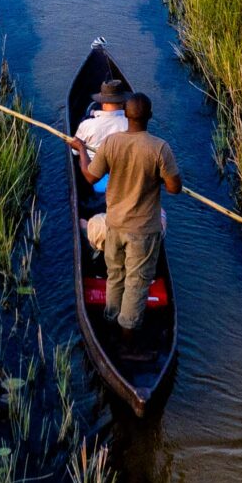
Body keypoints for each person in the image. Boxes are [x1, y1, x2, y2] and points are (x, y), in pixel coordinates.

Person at [79, 92, 181, 334]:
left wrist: (81, 150)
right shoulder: (160, 148)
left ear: (126, 115)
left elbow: (89, 176)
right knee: (136, 283)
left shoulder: (111, 144)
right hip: (143, 231)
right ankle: (127, 334)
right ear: (150, 117)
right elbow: (174, 188)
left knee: (114, 275)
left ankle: (110, 318)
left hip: (115, 226)